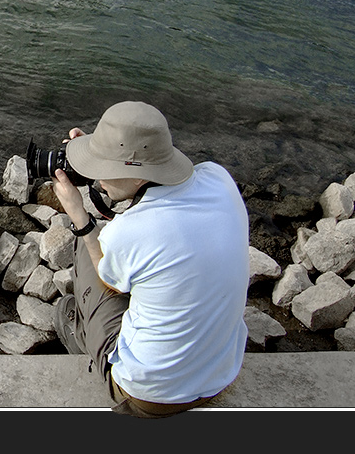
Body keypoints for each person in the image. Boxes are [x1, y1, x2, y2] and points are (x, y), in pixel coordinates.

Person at [50, 100, 249, 418]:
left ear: (138, 177)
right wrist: (105, 150)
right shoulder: (218, 178)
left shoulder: (129, 232)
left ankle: (85, 335)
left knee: (83, 264)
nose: (99, 179)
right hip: (221, 375)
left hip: (149, 398)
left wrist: (80, 218)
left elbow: (109, 281)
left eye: (105, 169)